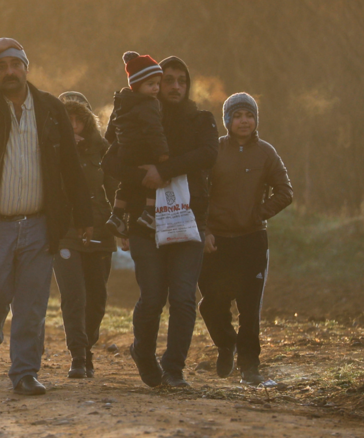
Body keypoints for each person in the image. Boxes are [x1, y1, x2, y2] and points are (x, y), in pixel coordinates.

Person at [0, 38, 92, 395]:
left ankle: (25, 372)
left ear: (27, 69)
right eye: (0, 67)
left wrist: (83, 213)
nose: (8, 72)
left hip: (40, 223)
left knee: (31, 305)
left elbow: (71, 167)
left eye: (15, 65)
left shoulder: (49, 108)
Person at [104, 56, 218, 388]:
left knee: (182, 297)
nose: (176, 87)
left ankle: (174, 368)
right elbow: (109, 161)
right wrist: (142, 176)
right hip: (144, 222)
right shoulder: (132, 114)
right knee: (153, 296)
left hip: (189, 220)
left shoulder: (201, 120)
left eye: (182, 80)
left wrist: (164, 170)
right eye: (168, 80)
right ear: (154, 82)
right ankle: (143, 352)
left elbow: (209, 154)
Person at [200, 92, 292, 386]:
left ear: (256, 120)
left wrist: (258, 214)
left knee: (249, 309)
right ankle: (227, 344)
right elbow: (198, 195)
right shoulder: (213, 151)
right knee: (211, 304)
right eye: (237, 115)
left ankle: (250, 366)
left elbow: (285, 191)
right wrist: (205, 231)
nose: (244, 121)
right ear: (227, 120)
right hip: (216, 242)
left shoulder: (266, 152)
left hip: (252, 240)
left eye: (249, 115)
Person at [53, 91, 117, 379]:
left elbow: (117, 189)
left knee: (97, 296)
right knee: (73, 294)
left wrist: (122, 223)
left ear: (88, 121)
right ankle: (78, 354)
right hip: (65, 232)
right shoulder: (48, 150)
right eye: (67, 119)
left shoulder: (104, 150)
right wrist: (61, 150)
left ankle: (88, 345)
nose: (73, 124)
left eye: (78, 119)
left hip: (100, 230)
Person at [105, 52, 168, 236]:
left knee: (126, 184)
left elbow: (111, 130)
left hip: (125, 151)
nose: (156, 88)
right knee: (152, 178)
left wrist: (116, 140)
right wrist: (162, 153)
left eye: (158, 83)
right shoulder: (149, 104)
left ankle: (116, 215)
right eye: (150, 84)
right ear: (137, 85)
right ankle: (150, 213)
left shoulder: (122, 101)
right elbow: (155, 130)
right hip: (143, 150)